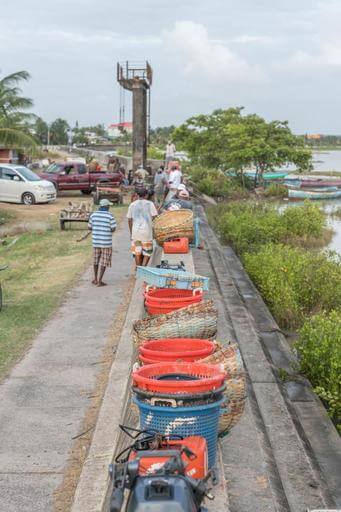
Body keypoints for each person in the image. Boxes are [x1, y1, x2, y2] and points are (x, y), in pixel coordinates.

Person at [88, 199, 117, 287]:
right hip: (106, 243)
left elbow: (89, 227)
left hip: (96, 242)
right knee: (104, 262)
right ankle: (100, 281)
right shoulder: (110, 216)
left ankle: (95, 279)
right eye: (109, 206)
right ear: (107, 206)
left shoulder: (93, 215)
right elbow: (113, 228)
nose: (109, 207)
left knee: (95, 261)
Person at [127, 188, 158, 267]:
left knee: (137, 251)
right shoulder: (150, 204)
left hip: (135, 232)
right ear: (146, 195)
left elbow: (129, 220)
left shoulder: (132, 204)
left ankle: (139, 268)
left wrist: (131, 233)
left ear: (137, 195)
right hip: (146, 232)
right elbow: (155, 217)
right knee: (147, 252)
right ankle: (143, 268)